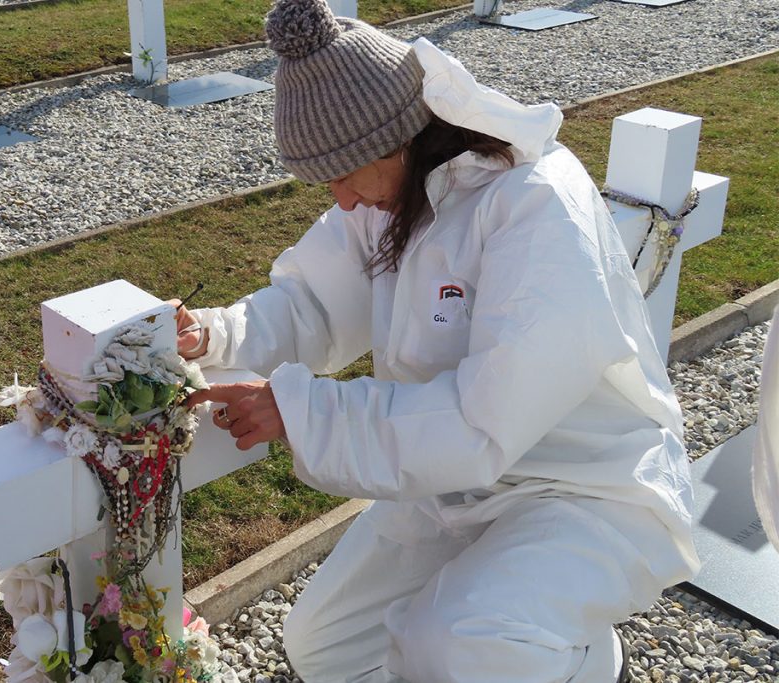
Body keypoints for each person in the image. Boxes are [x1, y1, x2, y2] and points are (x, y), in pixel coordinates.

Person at [173, 0, 700, 680]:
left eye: (342, 173)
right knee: (324, 640)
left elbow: (483, 421)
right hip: (459, 489)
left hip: (586, 490)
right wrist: (213, 333)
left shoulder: (536, 206)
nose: (339, 199)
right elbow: (312, 304)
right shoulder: (397, 197)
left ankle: (589, 667)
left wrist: (301, 411)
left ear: (397, 139)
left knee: (457, 640)